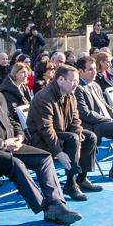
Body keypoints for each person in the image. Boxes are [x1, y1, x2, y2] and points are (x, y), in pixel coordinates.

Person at [0, 61, 81, 225]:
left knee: (44, 157)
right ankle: (48, 207)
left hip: (13, 145)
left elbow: (12, 120)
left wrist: (19, 136)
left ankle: (56, 203)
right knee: (16, 163)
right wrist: (3, 144)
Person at [26, 64, 100, 201]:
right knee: (72, 139)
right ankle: (70, 184)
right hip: (41, 139)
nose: (76, 84)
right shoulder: (44, 97)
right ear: (60, 80)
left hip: (61, 133)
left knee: (90, 137)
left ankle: (81, 178)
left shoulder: (70, 95)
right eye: (73, 80)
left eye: (77, 80)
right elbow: (45, 129)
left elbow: (76, 121)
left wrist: (79, 140)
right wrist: (58, 152)